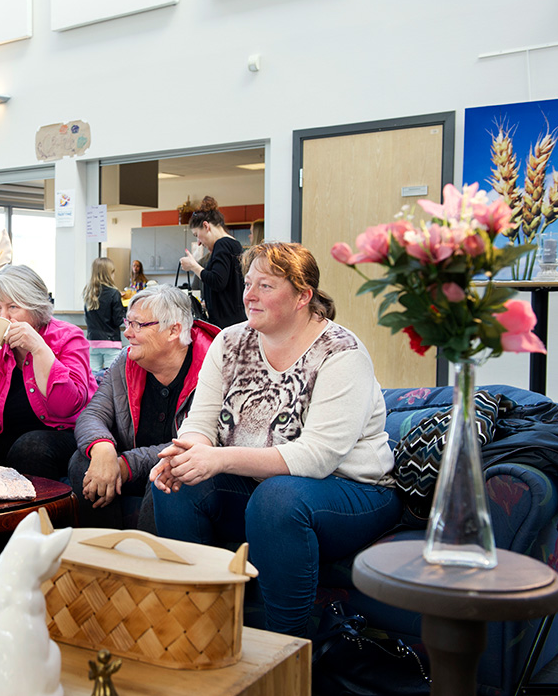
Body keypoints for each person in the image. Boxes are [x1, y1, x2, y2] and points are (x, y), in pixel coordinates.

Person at [151, 242, 400, 638]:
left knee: (277, 499)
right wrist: (185, 454)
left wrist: (218, 459)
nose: (249, 294)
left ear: (303, 296)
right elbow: (200, 423)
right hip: (262, 488)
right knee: (178, 484)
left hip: (351, 490)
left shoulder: (341, 353)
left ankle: (285, 654)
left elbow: (316, 458)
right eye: (248, 283)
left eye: (265, 286)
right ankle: (199, 632)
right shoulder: (229, 342)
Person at [69, 285, 219, 530]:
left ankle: (141, 563)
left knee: (168, 475)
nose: (127, 332)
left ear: (173, 331)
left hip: (175, 465)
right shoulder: (126, 360)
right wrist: (103, 449)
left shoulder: (212, 366)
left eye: (138, 325)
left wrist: (125, 464)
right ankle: (101, 555)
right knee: (82, 460)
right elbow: (94, 413)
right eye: (128, 323)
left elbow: (193, 446)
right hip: (131, 464)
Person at [0, 265, 96, 479]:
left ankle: (42, 513)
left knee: (30, 448)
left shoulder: (69, 338)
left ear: (35, 308)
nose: (4, 316)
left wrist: (39, 349)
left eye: (13, 307)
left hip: (65, 433)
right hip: (10, 436)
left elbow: (67, 406)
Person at [178, 196, 245, 328]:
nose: (198, 243)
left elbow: (218, 281)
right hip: (234, 321)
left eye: (197, 235)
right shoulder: (233, 244)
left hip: (227, 324)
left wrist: (193, 266)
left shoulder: (222, 245)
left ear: (206, 226)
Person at [82, 257, 125, 372]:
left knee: (93, 377)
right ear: (108, 274)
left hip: (93, 342)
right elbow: (117, 320)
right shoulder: (113, 293)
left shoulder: (88, 293)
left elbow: (87, 318)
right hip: (110, 343)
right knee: (111, 377)